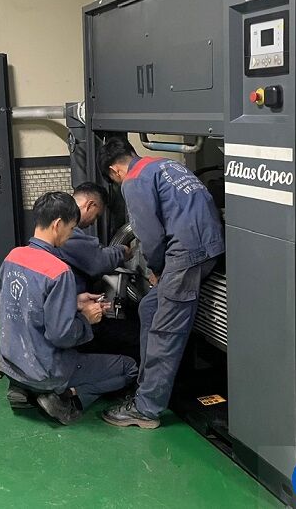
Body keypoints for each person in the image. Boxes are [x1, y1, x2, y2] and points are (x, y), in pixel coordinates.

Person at [97, 138, 224, 429]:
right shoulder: (166, 165)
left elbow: (150, 236)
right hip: (210, 248)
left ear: (115, 170)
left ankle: (146, 409)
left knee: (164, 331)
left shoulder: (133, 180)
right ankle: (147, 387)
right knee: (150, 308)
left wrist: (156, 269)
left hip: (185, 255)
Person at [0, 191, 138, 425]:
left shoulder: (13, 257)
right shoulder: (58, 270)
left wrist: (73, 301)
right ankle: (65, 396)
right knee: (129, 368)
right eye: (71, 228)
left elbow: (26, 304)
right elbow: (61, 335)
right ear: (57, 224)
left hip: (12, 364)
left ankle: (23, 388)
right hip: (46, 370)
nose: (71, 234)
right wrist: (87, 319)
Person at [56, 182, 140, 361]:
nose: (94, 221)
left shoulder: (59, 224)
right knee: (137, 339)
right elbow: (98, 261)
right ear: (90, 205)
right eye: (97, 215)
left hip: (70, 307)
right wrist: (122, 251)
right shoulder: (65, 230)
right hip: (72, 319)